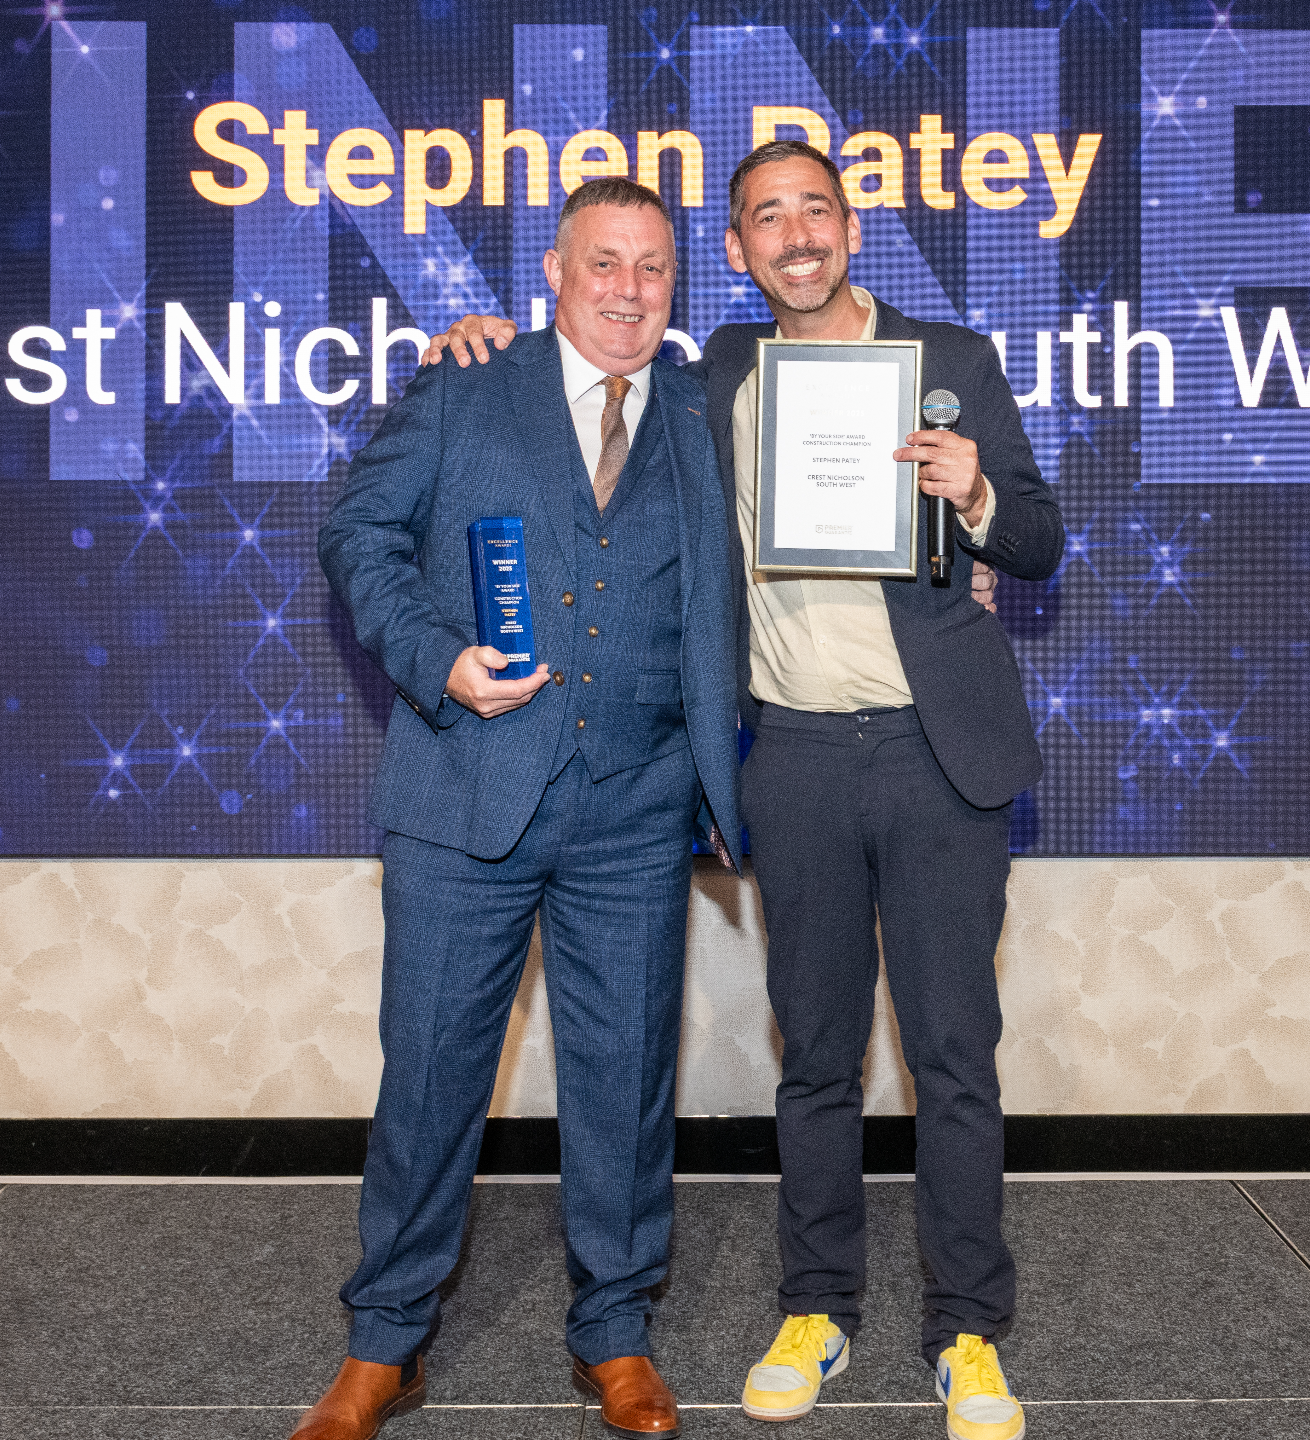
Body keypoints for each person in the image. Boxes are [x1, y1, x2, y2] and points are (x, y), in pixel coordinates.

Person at [428, 141, 1062, 1440]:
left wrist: (980, 493)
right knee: (817, 1060)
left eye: (813, 211)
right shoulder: (711, 373)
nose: (793, 235)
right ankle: (817, 1304)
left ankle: (969, 1331)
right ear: (738, 251)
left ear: (850, 227)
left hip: (939, 759)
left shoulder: (954, 364)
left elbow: (1041, 537)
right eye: (765, 218)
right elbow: (585, 351)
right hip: (798, 764)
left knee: (953, 1060)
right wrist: (481, 335)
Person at [306, 175, 742, 1440]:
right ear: (552, 274)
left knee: (622, 1082)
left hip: (638, 806)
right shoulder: (463, 384)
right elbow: (356, 536)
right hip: (463, 796)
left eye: (652, 267)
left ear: (677, 283)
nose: (627, 288)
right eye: (601, 262)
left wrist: (952, 563)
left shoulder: (708, 412)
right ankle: (384, 1342)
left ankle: (614, 1333)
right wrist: (437, 658)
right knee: (431, 1077)